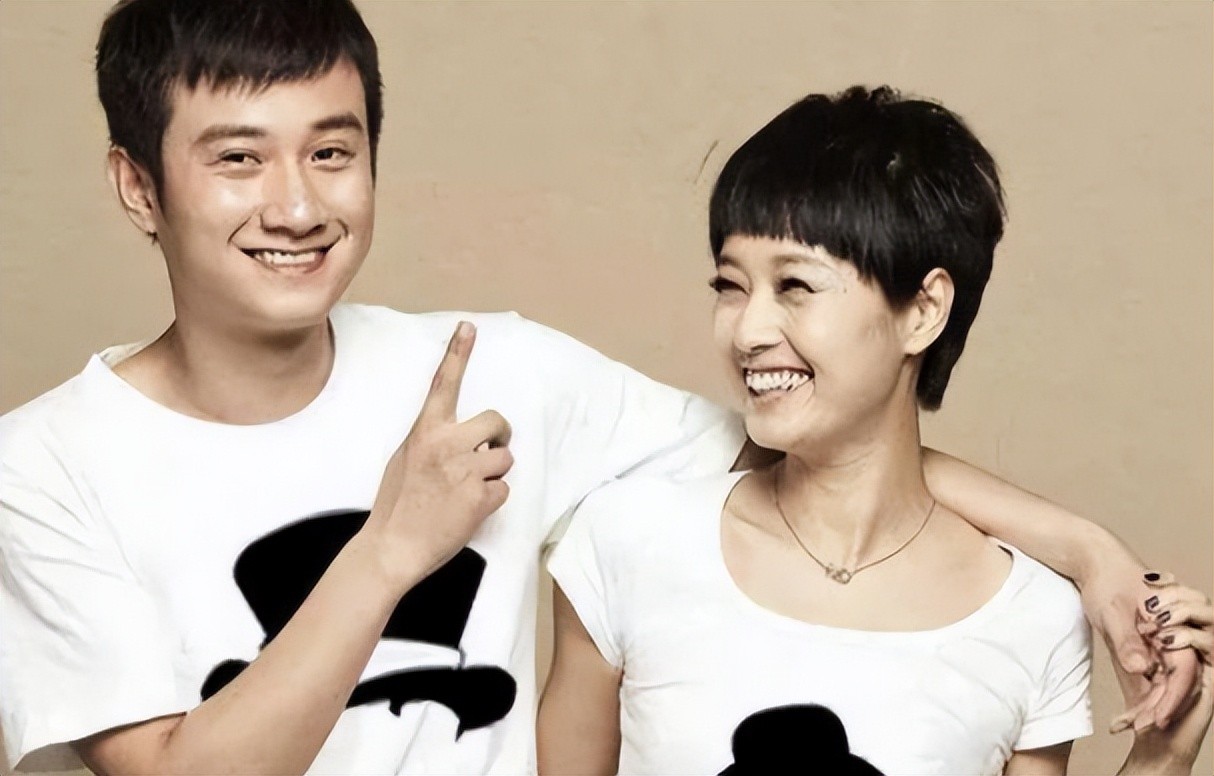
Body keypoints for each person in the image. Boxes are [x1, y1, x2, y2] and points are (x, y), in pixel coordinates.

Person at [0, 1, 1197, 774]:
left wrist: (1085, 553)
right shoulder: (45, 465)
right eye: (237, 159)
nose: (298, 204)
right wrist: (391, 546)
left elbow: (810, 431)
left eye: (331, 150)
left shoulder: (498, 368)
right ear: (138, 184)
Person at [539, 87, 1213, 775]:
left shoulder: (1030, 615)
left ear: (922, 311)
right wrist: (1091, 549)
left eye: (796, 286)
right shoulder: (627, 541)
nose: (748, 331)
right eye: (731, 286)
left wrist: (1162, 758)